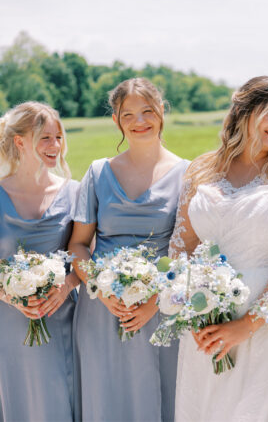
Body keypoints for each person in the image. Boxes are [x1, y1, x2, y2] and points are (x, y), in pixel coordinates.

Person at [168, 76, 268, 421]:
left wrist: (247, 325)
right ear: (244, 112)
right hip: (205, 327)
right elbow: (181, 246)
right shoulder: (202, 168)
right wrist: (195, 310)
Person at [69, 77, 188, 421]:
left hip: (161, 309)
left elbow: (187, 251)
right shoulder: (97, 172)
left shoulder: (187, 174)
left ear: (162, 111)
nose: (139, 122)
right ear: (116, 120)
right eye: (128, 115)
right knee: (106, 398)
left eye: (148, 111)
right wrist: (99, 289)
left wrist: (155, 301)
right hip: (102, 311)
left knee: (162, 397)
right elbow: (78, 244)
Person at [0, 101, 79, 421]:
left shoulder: (74, 192)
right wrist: (9, 295)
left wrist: (67, 285)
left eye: (58, 137)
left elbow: (86, 255)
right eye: (45, 138)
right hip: (8, 323)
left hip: (62, 319)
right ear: (20, 141)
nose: (55, 146)